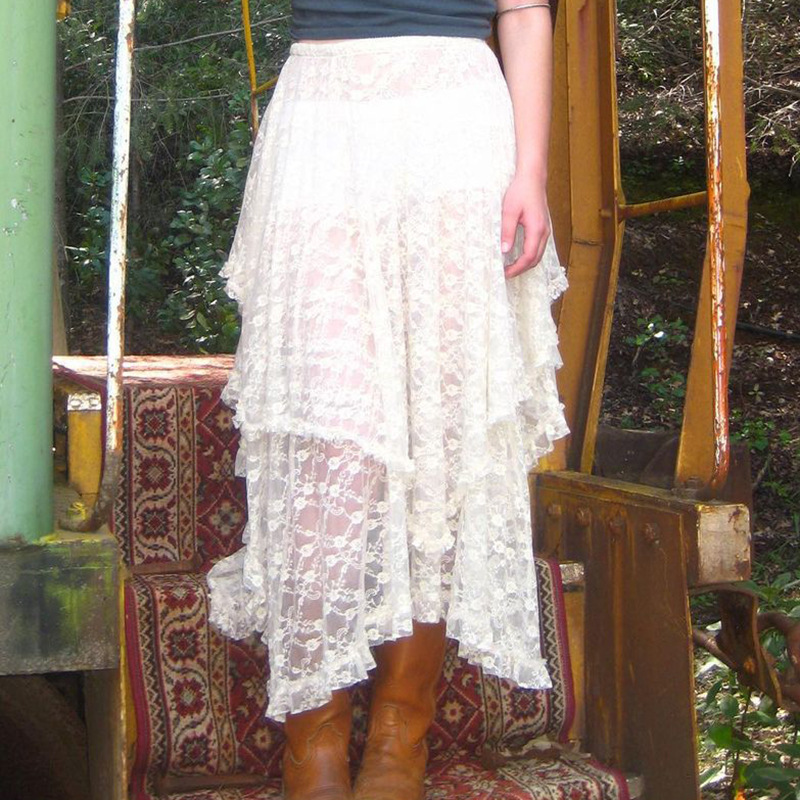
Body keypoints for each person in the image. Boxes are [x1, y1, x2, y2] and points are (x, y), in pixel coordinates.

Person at [207, 2, 569, 798]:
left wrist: (530, 171)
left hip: (457, 122)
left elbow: (522, 11)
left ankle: (401, 734)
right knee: (327, 442)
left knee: (440, 436)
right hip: (324, 119)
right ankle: (314, 739)